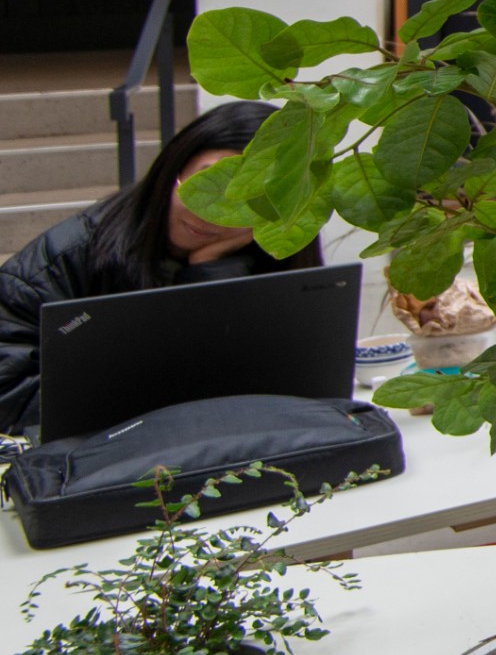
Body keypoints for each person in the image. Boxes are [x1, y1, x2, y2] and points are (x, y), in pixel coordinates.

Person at [0, 101, 309, 437]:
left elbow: (284, 382)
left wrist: (213, 274)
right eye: (205, 184)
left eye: (249, 202)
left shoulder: (273, 257)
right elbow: (7, 397)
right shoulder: (64, 258)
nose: (211, 213)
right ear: (173, 167)